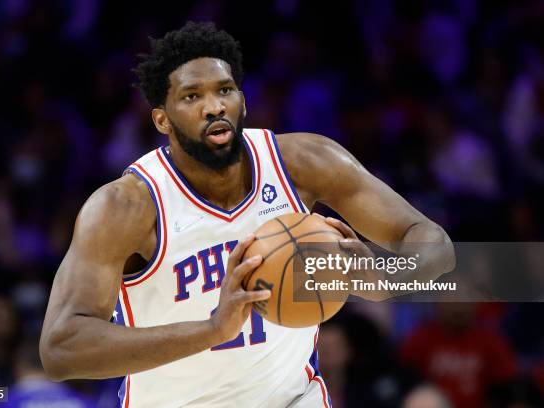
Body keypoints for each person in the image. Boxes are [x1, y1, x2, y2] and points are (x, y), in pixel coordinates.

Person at [39, 21, 454, 407]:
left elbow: (433, 243)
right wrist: (213, 329)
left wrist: (385, 277)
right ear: (162, 120)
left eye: (224, 90)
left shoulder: (304, 162)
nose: (213, 106)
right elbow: (61, 348)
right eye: (191, 96)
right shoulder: (126, 206)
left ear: (243, 99)